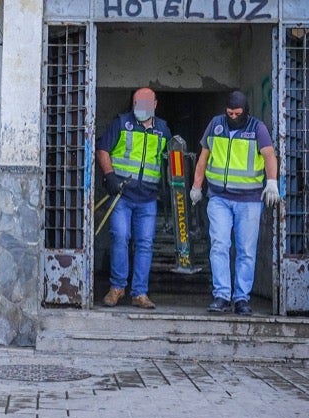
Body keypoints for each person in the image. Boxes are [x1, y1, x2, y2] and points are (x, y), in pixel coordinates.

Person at [189, 90, 279, 316]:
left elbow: (269, 154)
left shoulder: (257, 128)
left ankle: (241, 298)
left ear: (246, 112)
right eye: (229, 113)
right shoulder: (215, 125)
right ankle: (221, 296)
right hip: (218, 197)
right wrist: (196, 187)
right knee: (219, 245)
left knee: (246, 250)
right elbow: (203, 157)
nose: (233, 117)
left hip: (249, 200)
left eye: (238, 113)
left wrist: (272, 183)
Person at [96, 87, 171, 310]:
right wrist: (109, 177)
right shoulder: (122, 123)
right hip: (122, 194)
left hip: (148, 197)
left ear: (155, 105)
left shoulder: (163, 129)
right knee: (120, 237)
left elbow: (168, 159)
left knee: (145, 244)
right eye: (138, 104)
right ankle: (117, 288)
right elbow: (102, 150)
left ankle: (140, 293)